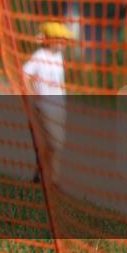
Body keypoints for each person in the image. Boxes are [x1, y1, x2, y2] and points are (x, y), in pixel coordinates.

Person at [22, 22, 75, 183]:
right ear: (50, 40)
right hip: (44, 107)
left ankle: (40, 172)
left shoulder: (59, 57)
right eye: (60, 40)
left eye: (65, 41)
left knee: (52, 144)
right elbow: (25, 74)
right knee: (55, 143)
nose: (64, 44)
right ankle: (54, 179)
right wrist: (31, 93)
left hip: (59, 107)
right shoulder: (40, 56)